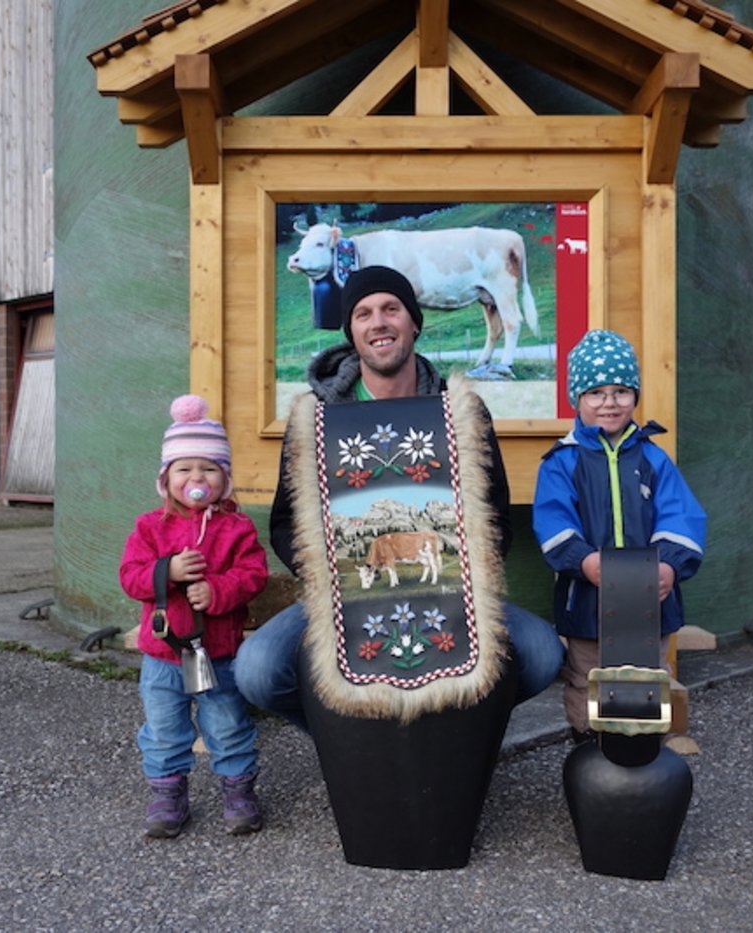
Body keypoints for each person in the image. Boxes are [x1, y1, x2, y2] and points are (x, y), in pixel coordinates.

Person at [234, 265, 564, 728]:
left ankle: (451, 739)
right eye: (364, 313)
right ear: (351, 330)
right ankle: (350, 742)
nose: (379, 322)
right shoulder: (315, 419)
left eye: (392, 309)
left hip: (452, 592)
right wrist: (336, 578)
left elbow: (496, 517)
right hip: (344, 594)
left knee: (542, 654)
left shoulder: (460, 411)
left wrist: (462, 578)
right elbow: (286, 524)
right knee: (258, 670)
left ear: (413, 322)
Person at [531, 330, 707, 743]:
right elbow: (553, 521)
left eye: (621, 391)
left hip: (651, 602)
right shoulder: (562, 461)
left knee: (650, 674)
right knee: (587, 676)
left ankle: (646, 751)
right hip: (588, 602)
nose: (609, 402)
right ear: (577, 398)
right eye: (595, 392)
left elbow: (681, 516)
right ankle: (589, 749)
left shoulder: (653, 458)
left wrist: (668, 566)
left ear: (635, 395)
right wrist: (584, 560)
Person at [119, 395, 270, 838]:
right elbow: (130, 577)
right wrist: (167, 571)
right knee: (164, 730)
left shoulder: (237, 528)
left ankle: (238, 791)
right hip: (163, 657)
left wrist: (218, 590)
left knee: (227, 725)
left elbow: (253, 574)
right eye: (184, 469)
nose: (196, 477)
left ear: (224, 478)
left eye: (209, 468)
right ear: (167, 478)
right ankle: (168, 795)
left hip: (217, 654)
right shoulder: (150, 527)